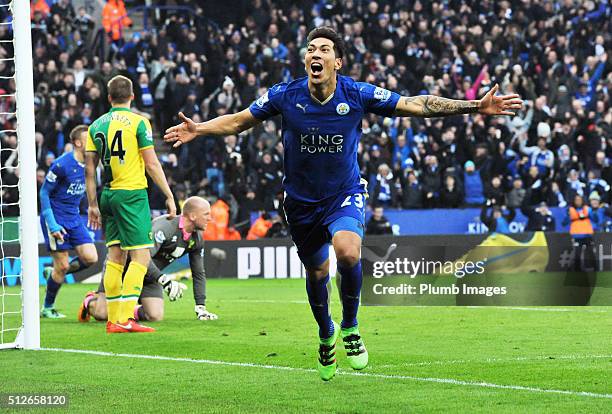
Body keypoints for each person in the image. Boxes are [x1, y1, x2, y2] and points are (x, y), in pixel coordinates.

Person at [164, 27, 522, 380]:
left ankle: (350, 327)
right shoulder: (284, 95)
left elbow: (416, 104)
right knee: (317, 272)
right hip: (301, 203)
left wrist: (475, 105)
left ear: (338, 61)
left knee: (348, 251)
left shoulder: (357, 93)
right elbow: (239, 121)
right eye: (310, 49)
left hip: (343, 193)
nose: (315, 54)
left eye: (323, 49)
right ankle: (325, 333)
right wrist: (200, 129)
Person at [85, 75, 176, 334]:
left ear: (109, 97)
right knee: (141, 255)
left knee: (115, 254)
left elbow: (89, 170)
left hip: (107, 195)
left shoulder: (95, 126)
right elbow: (151, 162)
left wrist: (92, 204)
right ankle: (125, 318)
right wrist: (169, 194)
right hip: (131, 195)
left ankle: (115, 319)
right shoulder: (139, 122)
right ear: (133, 96)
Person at [79, 197, 218, 323]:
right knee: (102, 314)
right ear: (193, 216)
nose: (210, 218)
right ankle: (90, 300)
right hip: (124, 267)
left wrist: (201, 307)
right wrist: (164, 281)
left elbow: (199, 273)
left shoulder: (197, 238)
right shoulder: (165, 228)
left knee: (155, 315)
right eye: (206, 214)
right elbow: (142, 259)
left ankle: (126, 310)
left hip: (151, 276)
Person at [39, 125, 98, 318]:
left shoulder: (91, 163)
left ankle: (53, 272)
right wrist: (52, 224)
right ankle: (47, 307)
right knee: (63, 266)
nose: (92, 141)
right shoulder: (61, 165)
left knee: (91, 257)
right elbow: (44, 193)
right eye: (88, 138)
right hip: (56, 218)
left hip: (74, 217)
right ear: (78, 143)